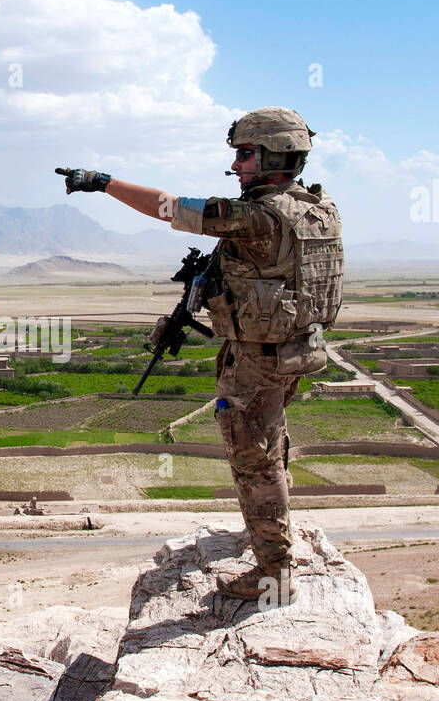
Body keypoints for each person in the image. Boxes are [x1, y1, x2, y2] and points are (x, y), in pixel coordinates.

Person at [56, 107, 343, 605]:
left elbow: (168, 207)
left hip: (259, 360)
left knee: (254, 460)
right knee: (269, 445)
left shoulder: (257, 216)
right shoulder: (318, 209)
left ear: (272, 155)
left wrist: (103, 183)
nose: (236, 163)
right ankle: (272, 536)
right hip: (299, 349)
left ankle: (275, 573)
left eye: (244, 154)